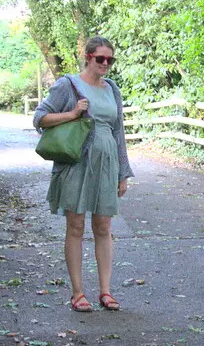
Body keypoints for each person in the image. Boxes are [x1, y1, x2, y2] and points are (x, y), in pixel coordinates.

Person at [32, 36, 133, 312]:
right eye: (100, 58)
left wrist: (122, 173)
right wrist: (74, 113)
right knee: (75, 226)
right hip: (77, 161)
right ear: (87, 56)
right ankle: (78, 293)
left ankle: (106, 291)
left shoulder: (112, 89)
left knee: (103, 227)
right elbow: (39, 118)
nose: (105, 64)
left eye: (110, 60)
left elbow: (118, 132)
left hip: (106, 161)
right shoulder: (69, 85)